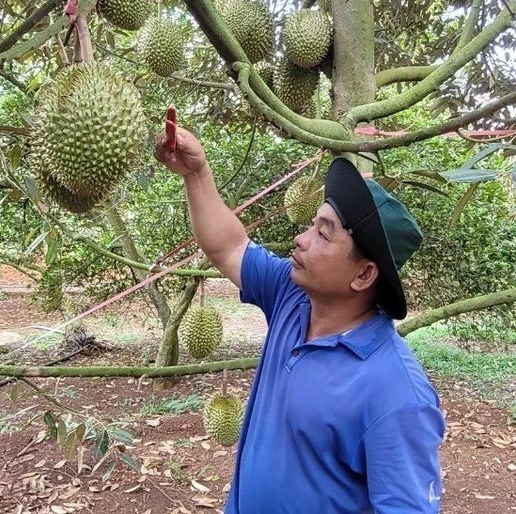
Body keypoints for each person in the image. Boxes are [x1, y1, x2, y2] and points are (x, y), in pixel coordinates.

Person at [155, 125, 445, 514]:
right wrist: (196, 172)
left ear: (363, 275)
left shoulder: (396, 392)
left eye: (323, 235)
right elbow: (228, 246)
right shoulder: (291, 297)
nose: (301, 239)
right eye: (311, 224)